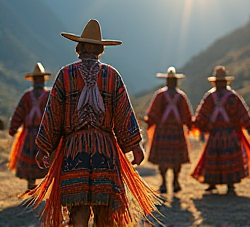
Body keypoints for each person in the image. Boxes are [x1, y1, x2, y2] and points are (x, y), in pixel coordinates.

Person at [26, 19, 161, 227]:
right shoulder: (112, 75)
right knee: (104, 208)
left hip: (74, 150)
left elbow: (53, 115)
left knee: (77, 206)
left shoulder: (65, 75)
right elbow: (124, 114)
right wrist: (135, 145)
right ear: (100, 50)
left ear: (78, 48)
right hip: (104, 150)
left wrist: (44, 147)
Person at [191, 66, 250, 195]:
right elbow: (242, 113)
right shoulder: (230, 96)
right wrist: (248, 126)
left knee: (216, 157)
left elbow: (202, 115)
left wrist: (198, 125)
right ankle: (226, 184)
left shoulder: (212, 97)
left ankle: (221, 183)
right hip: (228, 133)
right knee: (227, 157)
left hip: (218, 133)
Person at [144, 67, 193, 194]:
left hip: (163, 131)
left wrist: (149, 122)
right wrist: (190, 125)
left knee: (163, 159)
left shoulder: (161, 95)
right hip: (176, 131)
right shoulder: (180, 96)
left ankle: (166, 183)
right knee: (176, 158)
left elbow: (152, 114)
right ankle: (173, 182)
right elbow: (187, 116)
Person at [8, 62, 51, 192]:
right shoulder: (48, 96)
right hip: (43, 135)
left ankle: (32, 186)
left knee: (34, 159)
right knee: (44, 159)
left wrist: (13, 128)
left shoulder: (28, 96)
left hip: (32, 134)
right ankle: (35, 188)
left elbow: (19, 113)